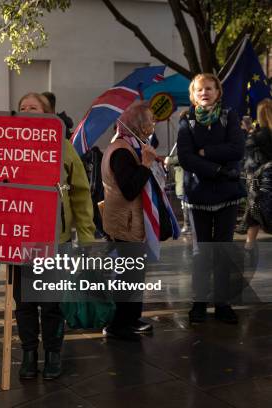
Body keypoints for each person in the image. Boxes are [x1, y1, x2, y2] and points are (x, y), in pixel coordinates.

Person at [15, 92, 95, 379]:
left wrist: (86, 238)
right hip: (19, 241)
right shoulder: (9, 147)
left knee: (51, 304)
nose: (26, 111)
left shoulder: (64, 148)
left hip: (55, 240)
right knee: (24, 304)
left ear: (47, 114)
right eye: (22, 107)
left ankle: (53, 355)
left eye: (33, 107)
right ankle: (28, 355)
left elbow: (82, 195)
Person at [101, 100, 178, 341]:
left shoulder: (131, 146)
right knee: (128, 277)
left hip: (129, 221)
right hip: (126, 223)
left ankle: (131, 319)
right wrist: (145, 164)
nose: (153, 123)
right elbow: (130, 189)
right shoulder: (122, 150)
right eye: (149, 120)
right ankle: (118, 325)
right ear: (137, 123)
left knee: (134, 274)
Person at [177, 73, 246, 324]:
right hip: (198, 194)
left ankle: (223, 303)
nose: (204, 93)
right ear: (193, 96)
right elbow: (186, 157)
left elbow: (237, 148)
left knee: (223, 249)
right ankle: (198, 303)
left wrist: (205, 152)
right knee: (201, 251)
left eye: (209, 88)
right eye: (199, 90)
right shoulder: (187, 121)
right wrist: (217, 168)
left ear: (218, 92)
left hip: (227, 193)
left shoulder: (230, 117)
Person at [243, 99, 272, 262]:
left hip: (262, 180)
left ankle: (249, 247)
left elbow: (249, 160)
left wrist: (249, 133)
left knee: (254, 214)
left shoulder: (257, 136)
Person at [165, 144, 191, 233]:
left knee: (186, 206)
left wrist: (169, 160)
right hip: (182, 184)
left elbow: (179, 158)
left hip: (186, 184)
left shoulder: (186, 152)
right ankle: (187, 225)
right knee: (184, 205)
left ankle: (188, 225)